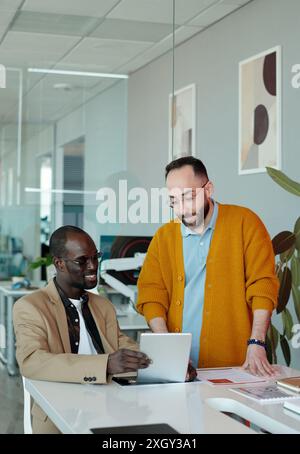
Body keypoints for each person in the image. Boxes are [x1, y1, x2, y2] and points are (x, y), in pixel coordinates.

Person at [137, 156, 279, 377]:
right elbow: (151, 294)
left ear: (208, 189)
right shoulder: (164, 237)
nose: (182, 209)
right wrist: (168, 349)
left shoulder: (245, 223)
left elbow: (262, 286)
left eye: (188, 197)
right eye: (174, 200)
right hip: (180, 368)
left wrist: (257, 342)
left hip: (235, 365)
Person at [13, 226, 150, 434]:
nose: (93, 266)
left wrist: (164, 364)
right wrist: (105, 365)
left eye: (96, 257)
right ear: (59, 263)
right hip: (59, 412)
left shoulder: (102, 305)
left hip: (109, 406)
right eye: (82, 261)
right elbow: (32, 361)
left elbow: (122, 344)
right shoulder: (31, 306)